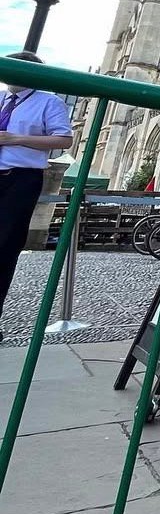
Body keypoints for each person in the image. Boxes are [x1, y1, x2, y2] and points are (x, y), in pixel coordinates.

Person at [0, 51, 74, 336]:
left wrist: (16, 138)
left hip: (19, 179)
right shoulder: (2, 100)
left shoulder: (48, 101)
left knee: (4, 248)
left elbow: (65, 139)